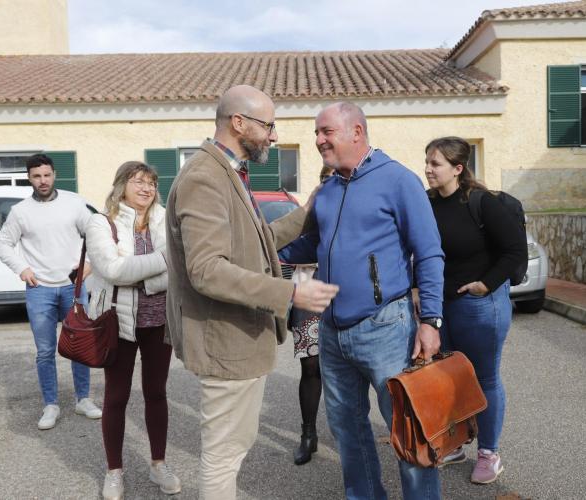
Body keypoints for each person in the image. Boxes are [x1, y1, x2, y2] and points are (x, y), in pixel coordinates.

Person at [164, 84, 339, 500]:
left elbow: (258, 243)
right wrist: (290, 293)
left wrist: (306, 213)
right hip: (226, 344)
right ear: (238, 123)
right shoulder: (204, 178)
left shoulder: (229, 172)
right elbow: (207, 270)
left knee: (230, 451)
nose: (274, 136)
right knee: (223, 457)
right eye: (269, 125)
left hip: (237, 343)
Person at [279, 102, 445, 500]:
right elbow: (312, 243)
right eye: (316, 133)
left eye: (326, 132)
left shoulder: (398, 180)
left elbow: (429, 252)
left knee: (408, 429)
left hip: (385, 327)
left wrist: (431, 320)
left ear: (357, 131)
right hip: (332, 331)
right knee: (347, 430)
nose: (318, 140)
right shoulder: (328, 190)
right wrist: (261, 250)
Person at [424, 136, 527, 484]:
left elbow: (514, 250)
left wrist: (486, 283)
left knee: (484, 377)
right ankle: (454, 443)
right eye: (427, 162)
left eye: (435, 164)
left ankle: (489, 453)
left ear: (457, 168)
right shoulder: (426, 203)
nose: (428, 169)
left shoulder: (482, 203)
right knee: (448, 376)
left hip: (479, 305)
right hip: (441, 305)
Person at [85, 162, 181, 499]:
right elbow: (113, 270)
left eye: (151, 183)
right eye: (138, 181)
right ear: (121, 185)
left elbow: (180, 269)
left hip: (159, 321)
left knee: (156, 392)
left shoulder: (166, 219)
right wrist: (164, 259)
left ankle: (158, 464)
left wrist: (142, 277)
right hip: (118, 321)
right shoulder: (101, 222)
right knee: (116, 396)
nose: (146, 188)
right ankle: (114, 471)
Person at [0, 153, 101, 430]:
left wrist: (90, 264)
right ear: (29, 178)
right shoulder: (21, 211)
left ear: (54, 175)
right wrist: (22, 268)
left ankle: (83, 399)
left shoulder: (74, 204)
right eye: (36, 176)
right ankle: (51, 404)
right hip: (39, 289)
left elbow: (96, 234)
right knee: (44, 351)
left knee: (79, 345)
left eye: (46, 175)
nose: (42, 181)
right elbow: (3, 244)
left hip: (72, 288)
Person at [288, 165, 334, 466]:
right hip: (307, 291)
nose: (330, 183)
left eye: (335, 177)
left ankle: (351, 433)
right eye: (324, 178)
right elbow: (288, 247)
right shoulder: (308, 213)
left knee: (350, 368)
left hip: (342, 293)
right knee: (311, 366)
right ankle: (308, 434)